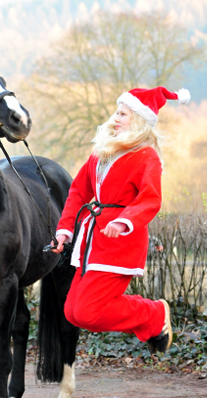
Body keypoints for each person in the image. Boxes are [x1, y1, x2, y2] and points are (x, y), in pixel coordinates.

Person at [52, 86, 191, 354]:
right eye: (117, 112)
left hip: (120, 244)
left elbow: (151, 199)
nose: (116, 118)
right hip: (91, 243)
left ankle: (152, 313)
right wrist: (65, 230)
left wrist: (123, 221)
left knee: (88, 312)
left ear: (139, 121)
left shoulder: (146, 156)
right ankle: (151, 322)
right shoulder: (102, 153)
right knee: (72, 312)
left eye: (123, 114)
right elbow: (79, 191)